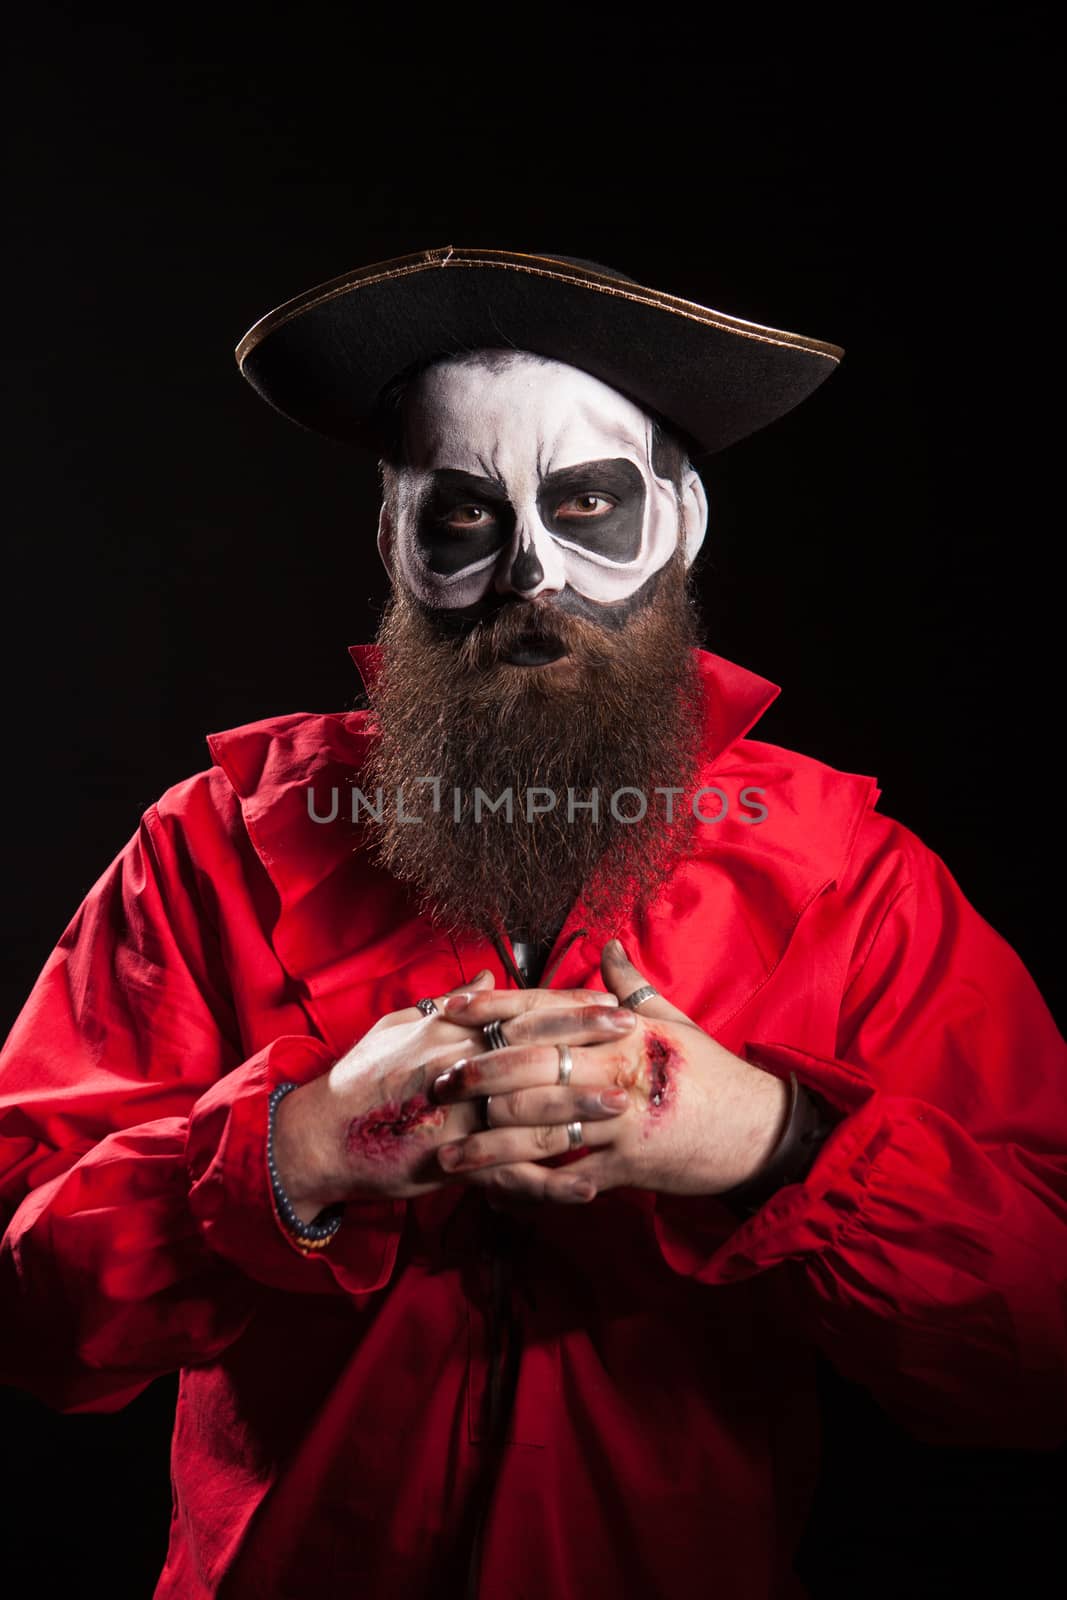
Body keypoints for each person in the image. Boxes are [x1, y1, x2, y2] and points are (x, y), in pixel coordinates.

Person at [1, 247, 1064, 1600]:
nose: (531, 575)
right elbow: (22, 1305)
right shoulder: (211, 846)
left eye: (588, 505)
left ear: (680, 523)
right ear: (393, 538)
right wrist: (299, 1148)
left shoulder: (849, 876)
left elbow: (1042, 1355)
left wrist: (773, 1141)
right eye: (461, 519)